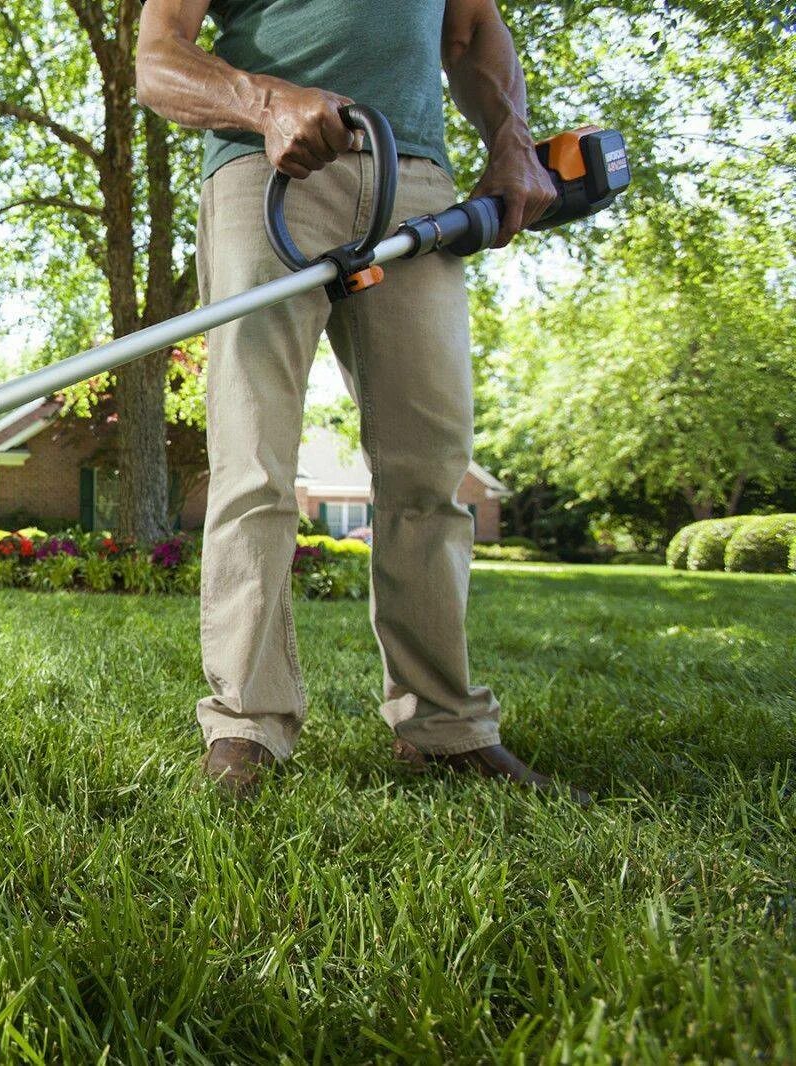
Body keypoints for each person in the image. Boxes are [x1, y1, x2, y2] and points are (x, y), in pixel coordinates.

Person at [136, 0, 587, 801]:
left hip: (418, 183)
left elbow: (472, 28)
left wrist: (512, 140)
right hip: (263, 167)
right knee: (253, 460)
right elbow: (159, 59)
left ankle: (444, 726)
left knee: (431, 467)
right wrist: (266, 101)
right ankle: (246, 726)